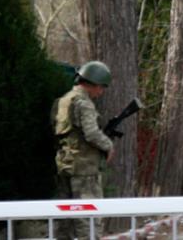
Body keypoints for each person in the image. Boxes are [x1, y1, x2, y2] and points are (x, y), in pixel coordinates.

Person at [52, 61, 115, 240]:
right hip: (84, 169)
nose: (101, 92)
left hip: (65, 165)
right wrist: (108, 145)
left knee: (64, 220)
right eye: (101, 87)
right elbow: (92, 133)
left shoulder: (62, 101)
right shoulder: (84, 103)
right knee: (89, 218)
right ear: (93, 83)